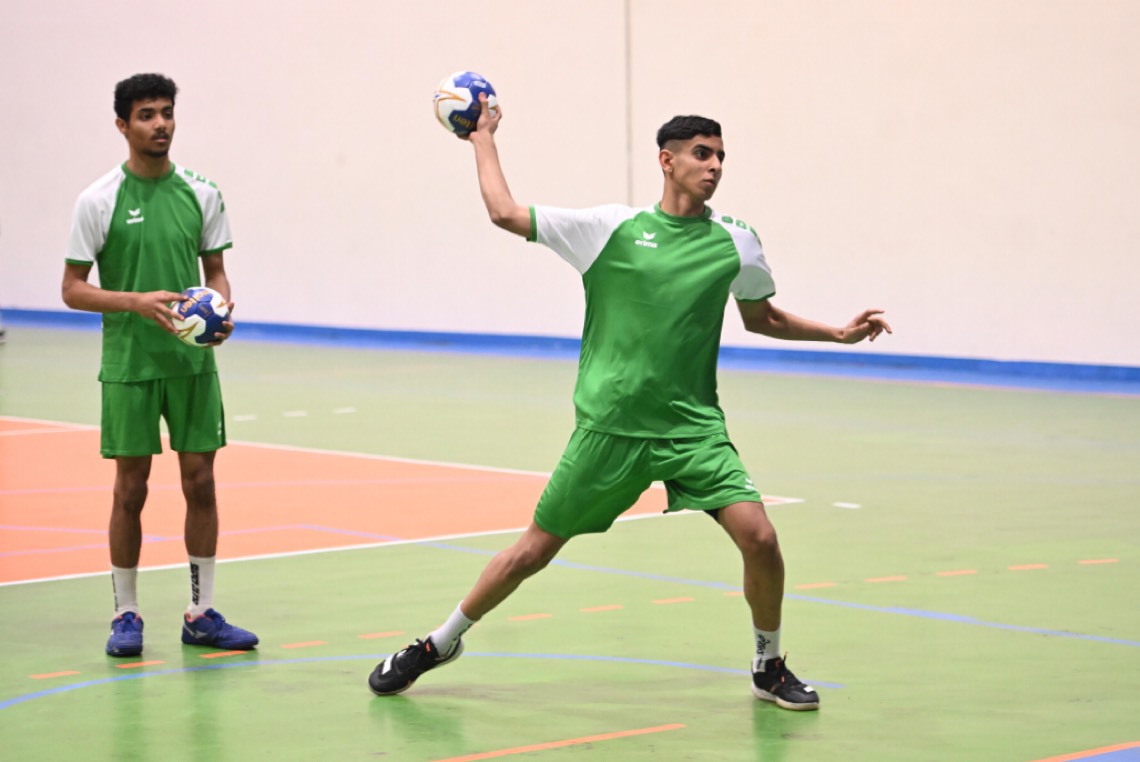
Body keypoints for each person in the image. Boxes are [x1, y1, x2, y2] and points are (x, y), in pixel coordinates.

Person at [368, 99, 891, 711]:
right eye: (702, 154)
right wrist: (481, 137)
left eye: (721, 156)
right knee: (531, 553)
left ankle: (768, 665)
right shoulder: (609, 229)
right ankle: (438, 643)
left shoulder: (736, 241)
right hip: (609, 430)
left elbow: (762, 317)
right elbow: (504, 212)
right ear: (667, 161)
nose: (715, 166)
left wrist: (837, 333)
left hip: (692, 430)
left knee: (761, 539)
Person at [61, 73, 257, 657]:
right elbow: (72, 289)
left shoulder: (202, 192)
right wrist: (136, 302)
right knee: (131, 489)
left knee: (201, 482)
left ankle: (201, 613)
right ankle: (125, 614)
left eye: (167, 112)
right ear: (123, 125)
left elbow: (215, 271)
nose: (161, 124)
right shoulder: (97, 200)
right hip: (130, 364)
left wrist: (221, 309)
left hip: (192, 364)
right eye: (146, 115)